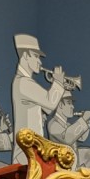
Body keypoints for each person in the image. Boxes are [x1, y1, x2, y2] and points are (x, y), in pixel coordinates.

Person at [10, 34, 65, 164]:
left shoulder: (24, 82)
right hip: (26, 152)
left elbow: (47, 108)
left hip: (31, 149)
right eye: (36, 56)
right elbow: (50, 102)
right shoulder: (23, 82)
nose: (40, 62)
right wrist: (58, 82)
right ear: (25, 56)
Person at [47, 92, 90, 168]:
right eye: (69, 103)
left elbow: (82, 137)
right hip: (61, 168)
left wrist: (86, 121)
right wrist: (83, 119)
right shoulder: (53, 124)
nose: (72, 107)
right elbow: (68, 138)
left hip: (71, 167)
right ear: (60, 104)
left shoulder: (68, 125)